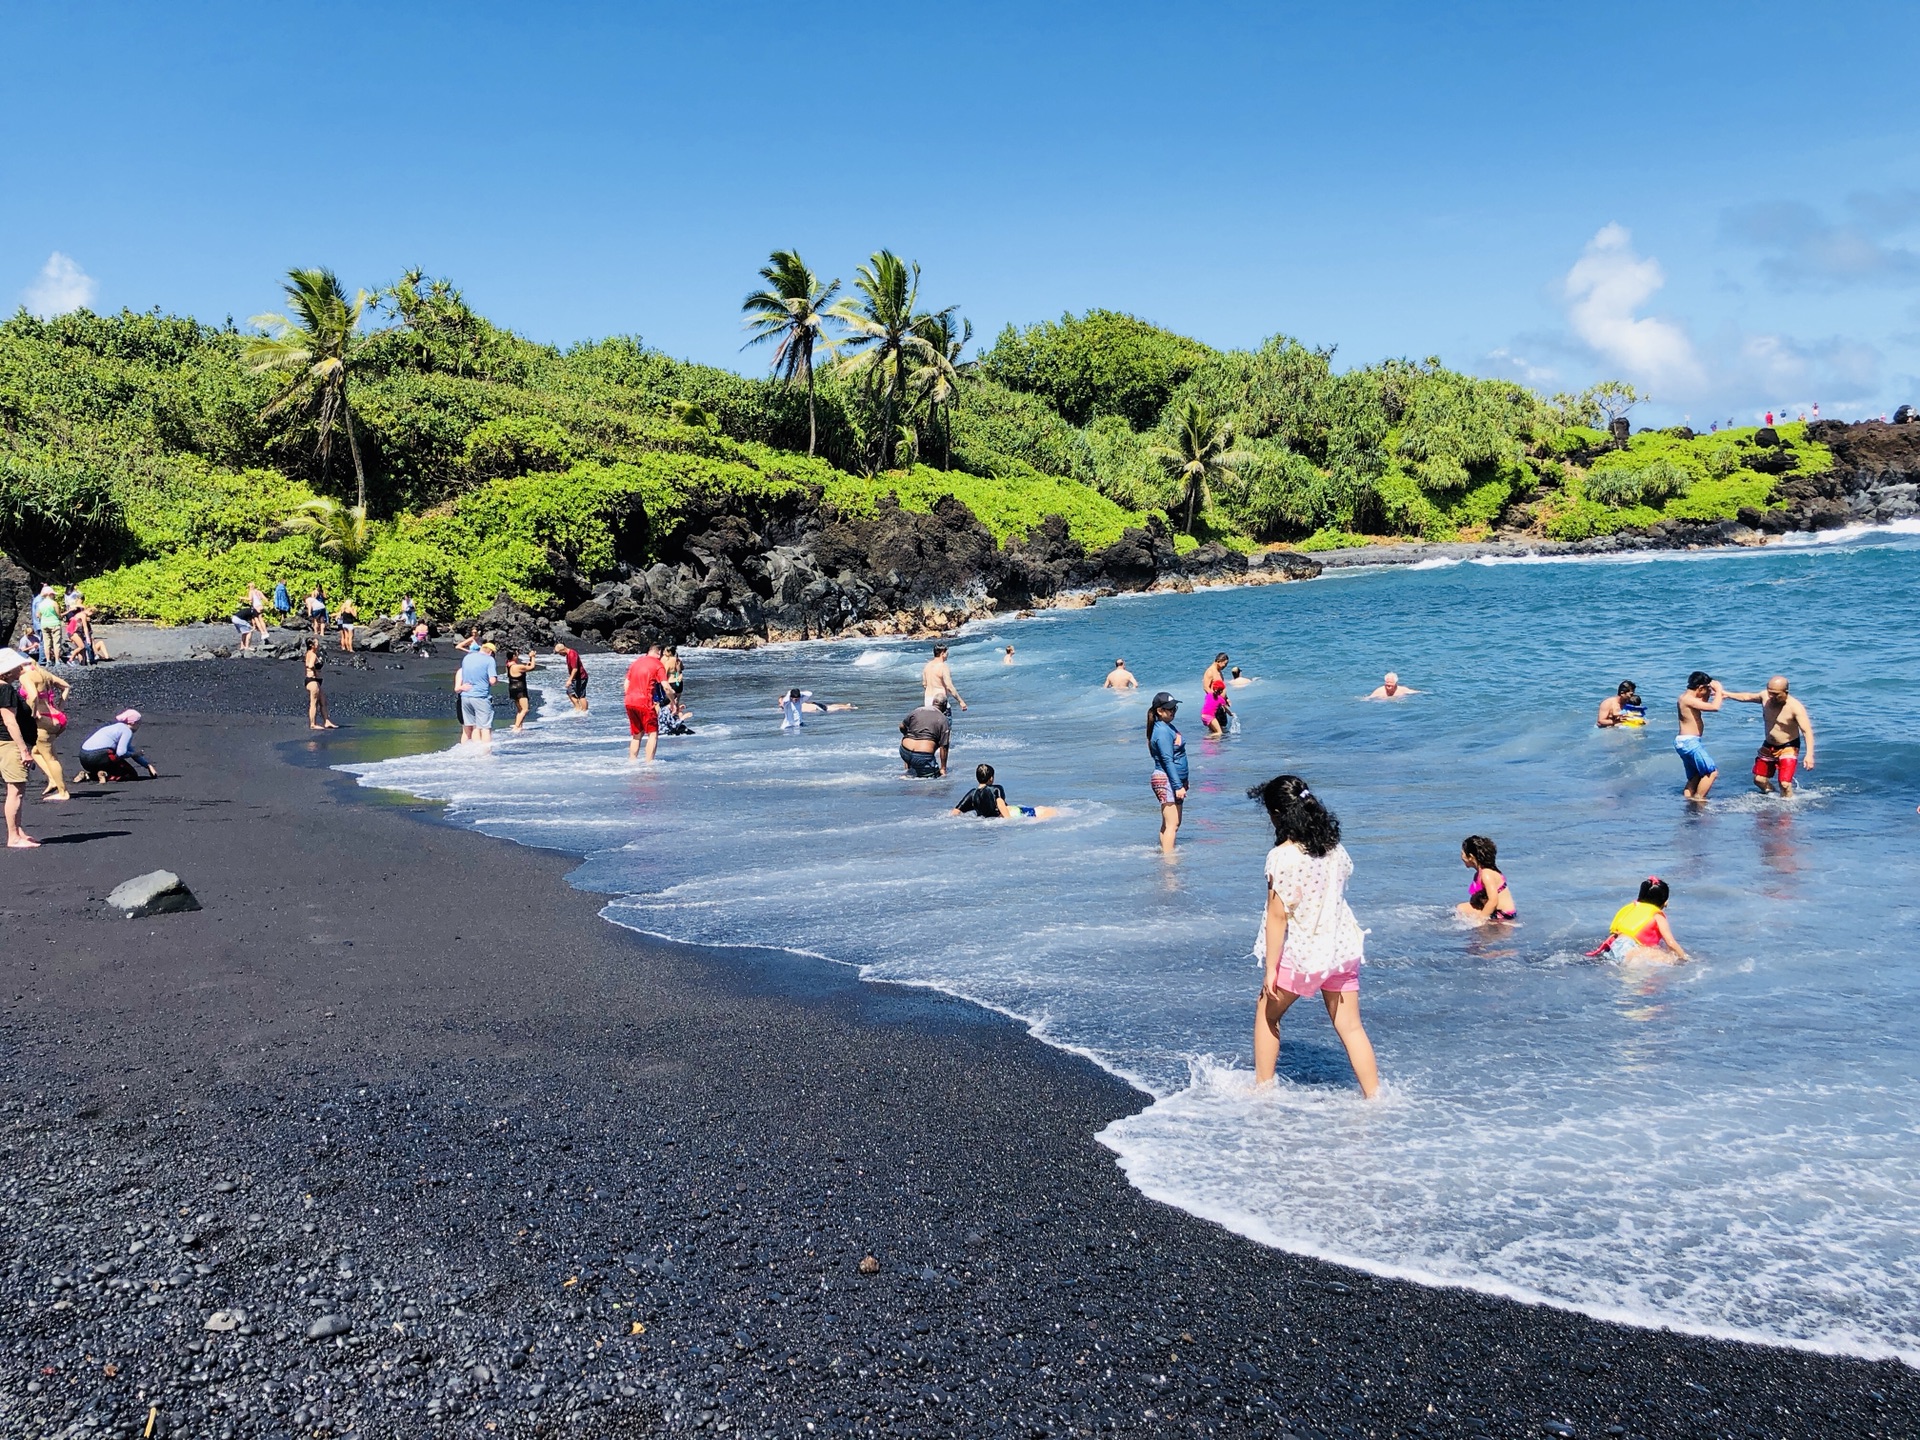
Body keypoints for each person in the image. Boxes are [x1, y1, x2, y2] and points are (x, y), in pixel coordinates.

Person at [1247, 774, 1380, 1097]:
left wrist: (1271, 969)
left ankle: (1262, 1092)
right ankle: (1376, 1098)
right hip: (1342, 946)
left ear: (1278, 814)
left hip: (1305, 951)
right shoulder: (1334, 848)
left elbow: (1277, 917)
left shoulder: (1283, 857)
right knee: (1350, 1027)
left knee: (1267, 1012)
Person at [1726, 675, 1814, 796]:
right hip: (1769, 744)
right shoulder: (1765, 697)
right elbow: (1747, 697)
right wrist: (1726, 694)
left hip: (1789, 746)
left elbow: (1807, 731)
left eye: (1775, 694)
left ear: (1785, 692)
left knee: (1784, 784)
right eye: (1770, 692)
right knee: (1759, 780)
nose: (1771, 697)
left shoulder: (1795, 708)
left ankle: (1787, 809)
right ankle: (1774, 798)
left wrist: (1809, 755)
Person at [1588, 877, 1689, 961]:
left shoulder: (1631, 908)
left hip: (1612, 947)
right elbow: (1671, 943)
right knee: (1671, 959)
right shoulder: (1657, 916)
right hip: (1630, 950)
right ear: (1666, 902)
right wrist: (1684, 958)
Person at [0, 649, 42, 846]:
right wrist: (23, 749)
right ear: (7, 670)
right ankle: (13, 837)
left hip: (5, 743)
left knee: (16, 789)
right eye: (17, 666)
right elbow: (10, 721)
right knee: (15, 790)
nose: (21, 668)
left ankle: (17, 830)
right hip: (9, 743)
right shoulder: (5, 689)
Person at [20, 657, 71, 801]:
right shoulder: (43, 673)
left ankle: (63, 792)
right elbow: (66, 686)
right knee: (37, 751)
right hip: (57, 717)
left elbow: (34, 695)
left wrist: (33, 712)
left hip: (44, 719)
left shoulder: (25, 676)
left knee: (50, 757)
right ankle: (53, 779)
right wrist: (60, 707)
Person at [1147, 691, 1188, 855]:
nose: (1173, 711)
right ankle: (1169, 861)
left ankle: (1164, 855)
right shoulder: (1162, 731)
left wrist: (1184, 780)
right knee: (1173, 823)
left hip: (1173, 780)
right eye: (1169, 708)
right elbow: (1167, 760)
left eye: (1174, 708)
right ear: (1159, 710)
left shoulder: (1166, 727)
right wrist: (1178, 785)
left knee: (1171, 823)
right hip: (1166, 780)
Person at [1675, 671, 1724, 801]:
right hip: (1690, 742)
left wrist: (1709, 693)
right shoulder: (1689, 700)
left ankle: (1687, 802)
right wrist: (1719, 691)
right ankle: (1698, 801)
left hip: (1684, 742)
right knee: (1711, 772)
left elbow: (1703, 703)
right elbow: (1715, 707)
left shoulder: (1684, 697)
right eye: (1706, 689)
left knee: (1695, 776)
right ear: (1700, 688)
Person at [75, 709, 158, 783]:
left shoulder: (113, 726)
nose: (139, 726)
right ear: (133, 723)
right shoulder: (127, 730)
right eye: (139, 723)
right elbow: (121, 753)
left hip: (84, 757)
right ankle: (106, 775)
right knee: (130, 774)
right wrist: (134, 754)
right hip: (99, 755)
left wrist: (147, 765)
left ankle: (87, 775)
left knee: (110, 762)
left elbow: (130, 749)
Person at [951, 762, 1056, 819]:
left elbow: (955, 812)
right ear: (991, 778)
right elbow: (1001, 805)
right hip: (1011, 813)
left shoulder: (972, 794)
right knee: (1046, 811)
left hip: (988, 819)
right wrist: (1008, 820)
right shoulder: (996, 789)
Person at [623, 643, 669, 761]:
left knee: (636, 735)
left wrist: (630, 697)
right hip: (645, 702)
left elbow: (626, 684)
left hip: (629, 701)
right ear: (659, 653)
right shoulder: (658, 665)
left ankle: (632, 761)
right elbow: (666, 687)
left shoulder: (636, 663)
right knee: (653, 734)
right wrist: (673, 701)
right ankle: (649, 764)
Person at [1454, 835, 1516, 924]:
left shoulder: (1487, 874)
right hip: (1496, 913)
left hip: (1503, 915)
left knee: (1461, 910)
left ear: (1470, 857)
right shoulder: (1479, 875)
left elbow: (1493, 900)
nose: (1461, 856)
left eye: (1462, 853)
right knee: (1461, 908)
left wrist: (1480, 920)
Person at [457, 641, 500, 743]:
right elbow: (492, 681)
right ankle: (485, 755)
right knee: (485, 728)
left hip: (465, 696)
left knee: (470, 727)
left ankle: (469, 751)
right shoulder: (489, 660)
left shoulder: (467, 658)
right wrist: (496, 680)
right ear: (491, 652)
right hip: (480, 696)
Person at [898, 701, 952, 778]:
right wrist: (943, 768)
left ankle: (908, 771)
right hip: (923, 755)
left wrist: (906, 736)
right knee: (933, 779)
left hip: (904, 751)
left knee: (911, 773)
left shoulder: (917, 710)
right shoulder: (943, 720)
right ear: (944, 706)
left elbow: (901, 726)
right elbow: (944, 747)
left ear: (933, 703)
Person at [921, 644, 967, 713]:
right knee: (944, 722)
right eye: (946, 652)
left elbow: (924, 684)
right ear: (942, 653)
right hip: (940, 702)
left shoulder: (927, 666)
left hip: (928, 701)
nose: (947, 654)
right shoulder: (943, 667)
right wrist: (961, 701)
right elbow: (949, 686)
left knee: (931, 723)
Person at [779, 688, 856, 728]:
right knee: (831, 707)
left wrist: (798, 694)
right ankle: (848, 706)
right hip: (790, 725)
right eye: (795, 699)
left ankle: (848, 706)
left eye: (797, 699)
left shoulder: (800, 701)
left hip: (800, 723)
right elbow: (785, 700)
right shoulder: (787, 703)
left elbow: (809, 693)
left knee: (832, 707)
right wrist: (789, 693)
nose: (796, 701)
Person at [305, 640, 337, 730]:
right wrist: (315, 671)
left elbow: (307, 663)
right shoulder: (313, 655)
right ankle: (313, 724)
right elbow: (310, 665)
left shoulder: (309, 653)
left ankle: (326, 721)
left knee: (323, 701)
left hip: (316, 681)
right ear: (312, 645)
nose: (318, 645)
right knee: (314, 703)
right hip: (312, 681)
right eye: (316, 643)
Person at [506, 648, 538, 732]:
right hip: (520, 689)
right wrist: (533, 657)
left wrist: (530, 660)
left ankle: (519, 726)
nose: (518, 656)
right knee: (525, 709)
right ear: (513, 656)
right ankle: (516, 727)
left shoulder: (508, 665)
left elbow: (525, 668)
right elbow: (532, 667)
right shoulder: (517, 666)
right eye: (517, 654)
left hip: (512, 688)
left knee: (520, 709)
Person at [1201, 653, 1230, 736]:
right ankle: (1210, 743)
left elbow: (1222, 687)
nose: (1225, 666)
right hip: (1215, 705)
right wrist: (1216, 701)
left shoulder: (1219, 671)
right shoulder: (1210, 671)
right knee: (1217, 730)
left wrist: (1226, 698)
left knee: (1223, 726)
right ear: (1218, 661)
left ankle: (1220, 746)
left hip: (1221, 704)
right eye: (1225, 664)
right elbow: (1206, 687)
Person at [554, 642, 589, 712]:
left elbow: (575, 669)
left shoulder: (572, 654)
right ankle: (578, 708)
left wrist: (570, 680)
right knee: (570, 692)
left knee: (581, 695)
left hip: (581, 677)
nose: (560, 655)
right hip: (576, 677)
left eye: (559, 653)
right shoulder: (568, 654)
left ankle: (584, 711)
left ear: (562, 650)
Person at [32, 585, 61, 664]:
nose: (54, 595)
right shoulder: (54, 603)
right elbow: (59, 614)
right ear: (49, 594)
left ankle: (48, 660)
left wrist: (43, 617)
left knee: (46, 643)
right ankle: (57, 661)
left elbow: (37, 615)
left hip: (44, 624)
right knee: (56, 642)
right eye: (53, 594)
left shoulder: (41, 604)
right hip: (54, 623)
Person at [661, 645, 687, 719]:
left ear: (669, 652)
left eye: (665, 651)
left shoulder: (669, 661)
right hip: (679, 682)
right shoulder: (678, 659)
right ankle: (679, 718)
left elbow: (665, 672)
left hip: (671, 682)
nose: (664, 653)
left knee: (670, 703)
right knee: (677, 702)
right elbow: (682, 669)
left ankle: (670, 719)